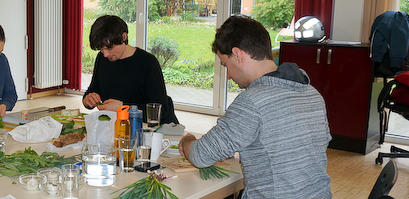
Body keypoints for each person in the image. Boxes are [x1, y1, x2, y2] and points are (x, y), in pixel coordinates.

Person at [178, 15, 331, 198]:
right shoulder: (311, 93)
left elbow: (200, 155)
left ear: (237, 54)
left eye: (225, 64)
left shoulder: (253, 102)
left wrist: (186, 140)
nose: (227, 76)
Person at [82, 15, 178, 124]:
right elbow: (94, 89)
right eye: (101, 49)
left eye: (109, 48)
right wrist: (88, 99)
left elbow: (161, 110)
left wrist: (124, 108)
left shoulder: (147, 62)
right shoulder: (102, 59)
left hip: (149, 129)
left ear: (123, 37)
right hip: (117, 127)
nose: (105, 54)